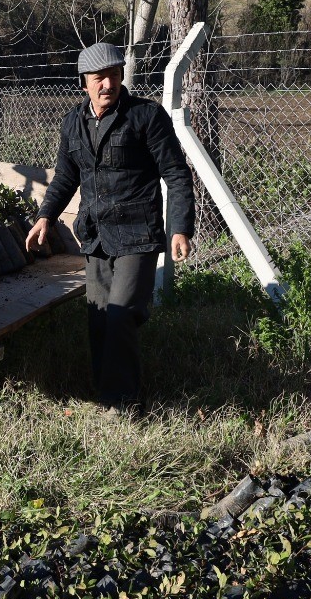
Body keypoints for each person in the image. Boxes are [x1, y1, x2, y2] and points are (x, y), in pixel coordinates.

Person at [25, 41, 195, 409]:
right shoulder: (73, 123)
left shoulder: (146, 117)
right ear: (84, 82)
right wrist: (45, 217)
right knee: (99, 320)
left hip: (138, 234)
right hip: (96, 235)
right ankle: (106, 394)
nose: (108, 84)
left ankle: (124, 403)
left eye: (114, 76)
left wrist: (179, 227)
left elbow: (177, 175)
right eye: (100, 77)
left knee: (120, 316)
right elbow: (65, 178)